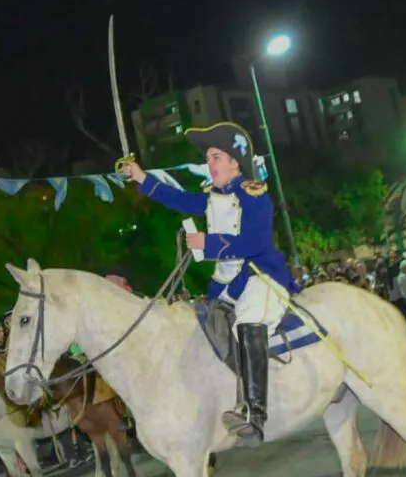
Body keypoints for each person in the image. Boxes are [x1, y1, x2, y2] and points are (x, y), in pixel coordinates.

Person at [120, 122, 298, 442]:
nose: (209, 164)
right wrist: (141, 177)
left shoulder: (254, 195)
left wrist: (208, 243)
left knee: (248, 323)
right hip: (227, 284)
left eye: (216, 156)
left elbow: (255, 243)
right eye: (208, 158)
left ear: (235, 161)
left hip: (260, 276)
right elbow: (178, 199)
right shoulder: (211, 196)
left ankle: (255, 412)